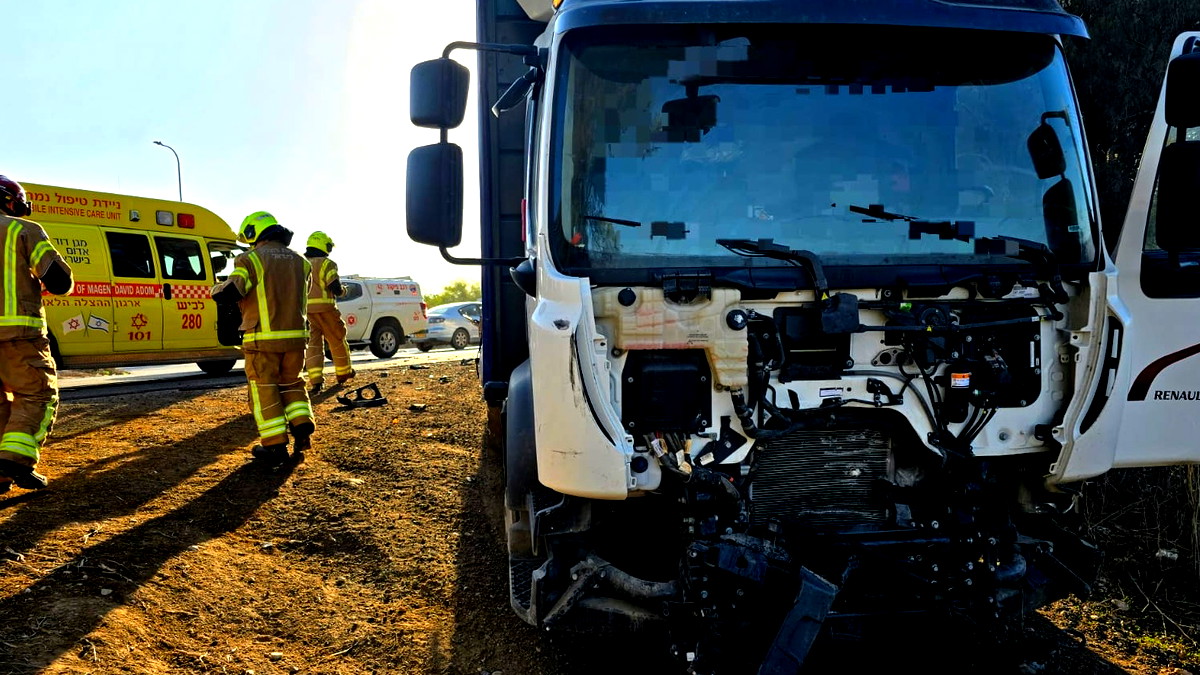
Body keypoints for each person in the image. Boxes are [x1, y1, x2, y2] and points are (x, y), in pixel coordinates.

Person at [210, 211, 313, 465]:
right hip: (297, 339)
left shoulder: (250, 259)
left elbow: (234, 289)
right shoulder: (302, 262)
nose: (251, 245)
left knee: (264, 389)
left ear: (255, 234)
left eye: (250, 240)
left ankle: (275, 446)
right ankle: (302, 426)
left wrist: (215, 289)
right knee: (292, 383)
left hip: (263, 339)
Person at [0, 175, 73, 492]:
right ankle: (15, 460)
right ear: (9, 200)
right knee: (38, 395)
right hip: (19, 335)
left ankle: (1, 474)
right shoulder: (22, 230)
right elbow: (58, 281)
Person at [302, 231, 354, 395]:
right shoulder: (327, 264)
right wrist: (344, 292)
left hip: (307, 312)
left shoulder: (301, 263)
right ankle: (343, 373)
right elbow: (335, 287)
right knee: (337, 340)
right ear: (323, 246)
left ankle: (316, 381)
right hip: (326, 310)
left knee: (313, 346)